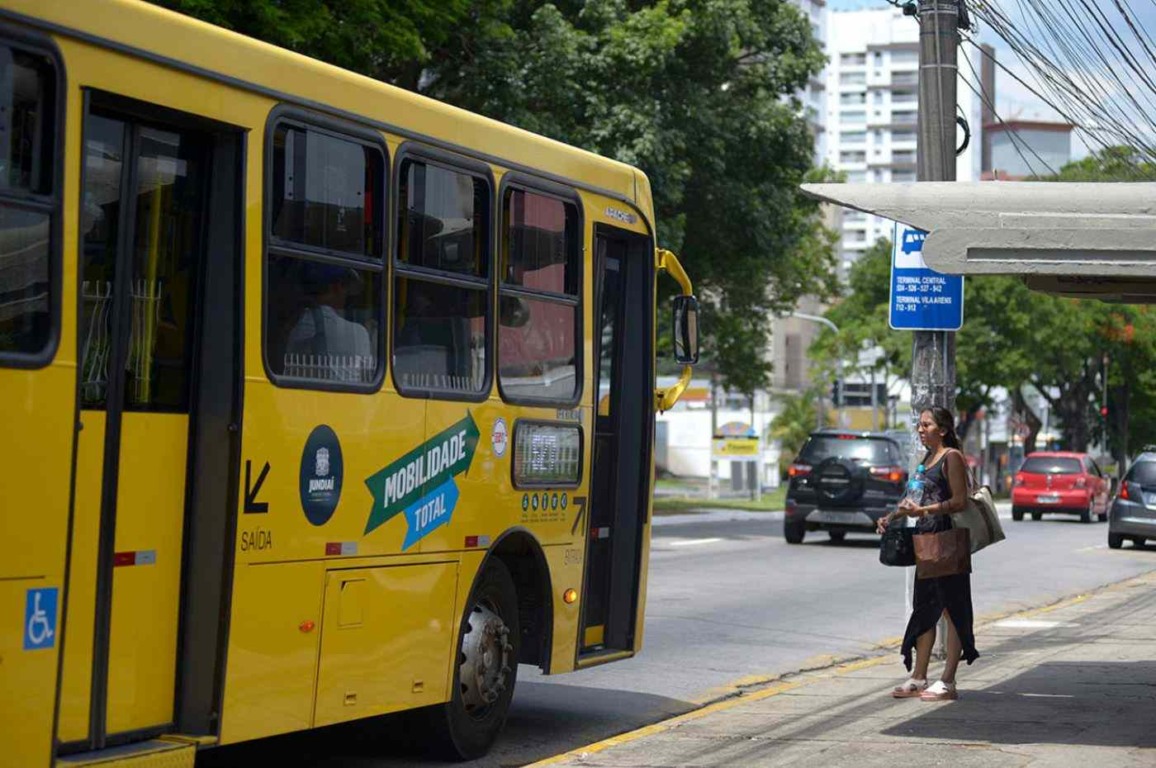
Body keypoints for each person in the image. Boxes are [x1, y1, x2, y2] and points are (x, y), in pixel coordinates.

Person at [877, 406, 979, 701]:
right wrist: (892, 517)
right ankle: (919, 677)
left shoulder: (952, 458)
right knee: (925, 610)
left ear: (943, 430)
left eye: (927, 425)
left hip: (948, 542)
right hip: (927, 544)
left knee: (952, 610)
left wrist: (924, 510)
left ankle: (948, 681)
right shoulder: (926, 460)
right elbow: (914, 498)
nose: (921, 430)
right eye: (919, 425)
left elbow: (959, 502)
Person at [285, 263, 373, 382]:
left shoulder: (294, 328)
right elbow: (367, 379)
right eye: (346, 288)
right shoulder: (358, 333)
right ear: (337, 287)